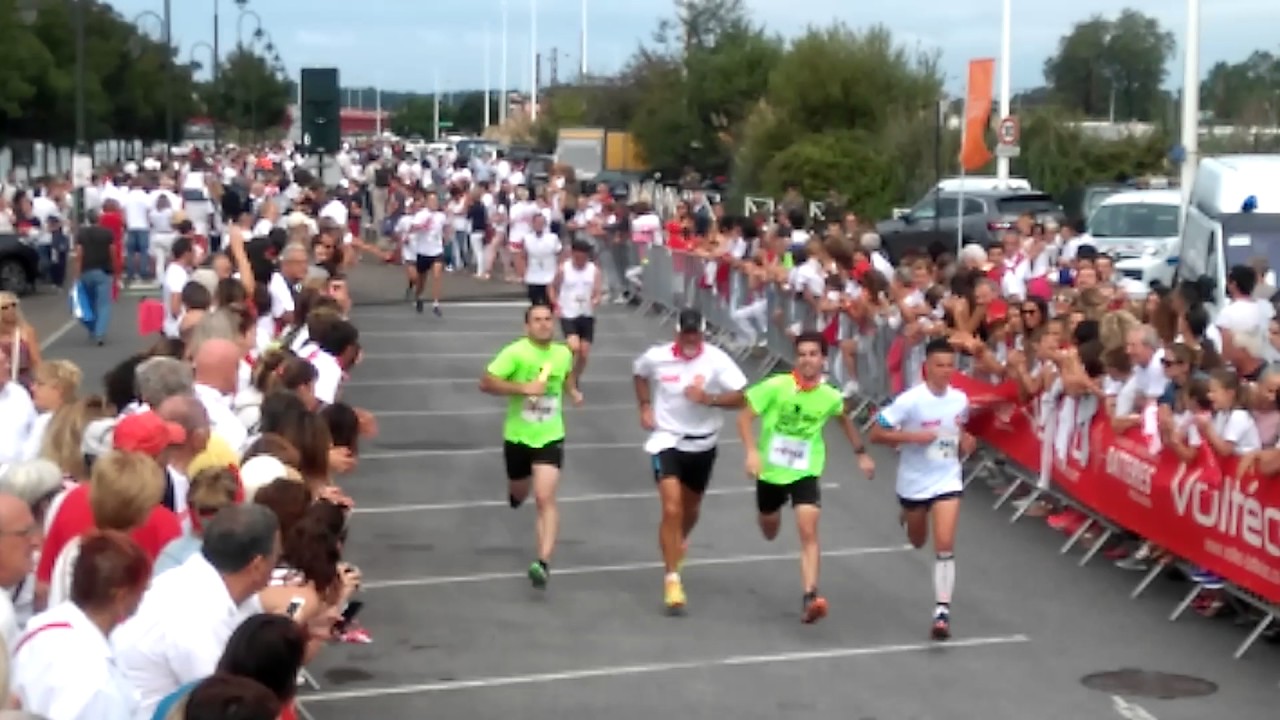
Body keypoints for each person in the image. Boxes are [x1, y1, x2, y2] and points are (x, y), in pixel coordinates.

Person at [736, 331, 875, 623]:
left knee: (808, 531)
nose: (808, 360)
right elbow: (745, 417)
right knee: (769, 528)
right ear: (796, 358)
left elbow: (843, 419)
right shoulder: (776, 385)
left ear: (823, 359)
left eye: (813, 354)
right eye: (802, 354)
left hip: (806, 469)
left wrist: (861, 453)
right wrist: (751, 452)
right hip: (771, 471)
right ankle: (767, 515)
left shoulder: (830, 395)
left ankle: (810, 596)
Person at [632, 309, 747, 612]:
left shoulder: (716, 360)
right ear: (678, 332)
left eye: (696, 334)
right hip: (666, 440)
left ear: (703, 333)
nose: (691, 339)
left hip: (703, 444)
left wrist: (709, 398)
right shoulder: (657, 357)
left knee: (690, 509)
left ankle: (677, 542)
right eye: (686, 333)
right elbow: (639, 374)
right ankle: (672, 579)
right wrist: (645, 406)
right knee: (671, 508)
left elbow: (742, 396)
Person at [868, 337, 975, 641]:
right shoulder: (910, 401)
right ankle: (908, 513)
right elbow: (876, 433)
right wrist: (914, 438)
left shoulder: (960, 399)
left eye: (950, 366)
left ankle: (942, 611)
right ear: (926, 367)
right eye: (939, 365)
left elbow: (958, 428)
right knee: (917, 541)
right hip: (914, 481)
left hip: (947, 477)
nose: (945, 371)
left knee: (944, 545)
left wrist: (966, 441)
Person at [479, 303, 582, 589]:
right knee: (520, 491)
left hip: (550, 435)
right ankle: (515, 493)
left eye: (548, 319)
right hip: (517, 437)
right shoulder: (515, 353)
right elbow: (486, 382)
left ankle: (543, 563)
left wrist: (572, 390)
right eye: (537, 320)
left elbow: (566, 373)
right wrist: (523, 388)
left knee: (544, 497)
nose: (544, 324)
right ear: (527, 326)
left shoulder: (562, 353)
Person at [549, 239, 602, 385]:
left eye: (583, 258)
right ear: (572, 254)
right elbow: (552, 287)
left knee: (584, 353)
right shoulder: (563, 269)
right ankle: (562, 368)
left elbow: (598, 291)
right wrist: (556, 305)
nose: (580, 261)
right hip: (568, 312)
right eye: (578, 258)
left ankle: (573, 377)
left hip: (586, 314)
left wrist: (596, 299)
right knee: (574, 346)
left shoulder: (594, 270)